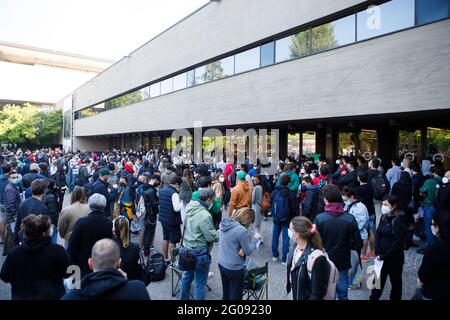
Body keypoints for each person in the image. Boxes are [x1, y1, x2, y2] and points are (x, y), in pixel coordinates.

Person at [0, 214, 71, 300]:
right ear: (46, 231)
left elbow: (4, 276)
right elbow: (70, 272)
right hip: (52, 296)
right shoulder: (57, 250)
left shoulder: (15, 253)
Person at [314, 184, 363, 300]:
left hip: (325, 261)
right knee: (342, 293)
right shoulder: (350, 219)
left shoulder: (320, 218)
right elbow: (358, 243)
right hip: (343, 261)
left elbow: (315, 242)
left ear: (326, 200)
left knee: (327, 294)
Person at [62, 239, 150, 300]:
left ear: (90, 263)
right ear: (119, 263)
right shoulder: (138, 289)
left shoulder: (70, 297)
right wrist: (126, 284)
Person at [180, 188, 219, 300]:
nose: (212, 203)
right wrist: (218, 233)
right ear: (208, 199)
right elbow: (211, 237)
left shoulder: (189, 207)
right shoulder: (204, 215)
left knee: (186, 278)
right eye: (212, 201)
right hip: (199, 253)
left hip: (187, 250)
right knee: (200, 284)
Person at [370, 195, 407, 300]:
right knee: (377, 282)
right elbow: (378, 234)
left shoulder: (398, 220)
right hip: (380, 257)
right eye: (382, 204)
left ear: (394, 205)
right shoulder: (384, 216)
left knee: (395, 282)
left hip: (394, 258)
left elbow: (397, 243)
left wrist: (383, 256)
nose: (383, 206)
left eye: (385, 204)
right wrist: (377, 252)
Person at [218, 207, 261, 300]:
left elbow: (231, 241)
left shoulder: (224, 223)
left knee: (226, 293)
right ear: (247, 221)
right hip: (234, 267)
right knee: (235, 295)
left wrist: (241, 248)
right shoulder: (241, 230)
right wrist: (255, 239)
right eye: (250, 224)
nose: (249, 226)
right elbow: (248, 250)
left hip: (222, 263)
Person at [67, 193, 113, 277]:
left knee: (79, 287)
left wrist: (70, 264)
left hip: (82, 265)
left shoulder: (81, 222)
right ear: (104, 206)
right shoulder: (108, 223)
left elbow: (72, 244)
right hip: (101, 263)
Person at [286, 216, 331, 300]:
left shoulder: (317, 259)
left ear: (297, 234)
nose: (288, 231)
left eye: (290, 230)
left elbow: (317, 293)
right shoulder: (296, 247)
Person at [417, 212, 450, 300]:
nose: (431, 226)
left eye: (432, 224)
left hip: (434, 292)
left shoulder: (434, 249)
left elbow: (423, 274)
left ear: (438, 227)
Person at [342, 187, 369, 288]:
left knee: (356, 261)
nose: (345, 202)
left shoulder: (360, 207)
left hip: (358, 236)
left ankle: (356, 282)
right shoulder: (349, 205)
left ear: (352, 197)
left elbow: (360, 223)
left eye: (346, 199)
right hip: (351, 236)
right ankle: (352, 281)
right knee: (352, 260)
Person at [271, 173, 299, 264]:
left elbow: (272, 204)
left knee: (275, 236)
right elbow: (294, 207)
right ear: (289, 182)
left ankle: (275, 255)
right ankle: (284, 259)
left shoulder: (275, 192)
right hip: (287, 219)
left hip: (276, 218)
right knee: (285, 239)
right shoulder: (290, 193)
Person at [419, 166, 443, 253]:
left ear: (433, 173)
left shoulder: (430, 181)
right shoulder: (443, 181)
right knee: (439, 227)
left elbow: (422, 191)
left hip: (429, 206)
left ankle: (430, 248)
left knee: (429, 228)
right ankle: (438, 246)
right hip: (441, 208)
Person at [158, 176, 183, 263]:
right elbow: (177, 208)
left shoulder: (162, 190)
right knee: (173, 241)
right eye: (179, 186)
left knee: (165, 238)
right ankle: (173, 261)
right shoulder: (174, 193)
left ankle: (165, 258)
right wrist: (182, 203)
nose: (179, 188)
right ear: (176, 184)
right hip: (172, 220)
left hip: (163, 218)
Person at [113, 215, 141, 281]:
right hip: (132, 280)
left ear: (114, 229)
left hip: (116, 280)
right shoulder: (135, 247)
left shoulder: (110, 245)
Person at [355, 171, 376, 258]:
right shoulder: (371, 187)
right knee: (371, 232)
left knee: (364, 233)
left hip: (362, 213)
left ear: (359, 178)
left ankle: (363, 255)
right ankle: (373, 252)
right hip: (371, 211)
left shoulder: (358, 189)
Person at [391, 171, 414, 249]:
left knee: (399, 225)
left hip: (399, 208)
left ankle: (400, 242)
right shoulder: (410, 186)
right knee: (409, 225)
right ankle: (408, 242)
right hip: (408, 208)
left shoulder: (396, 185)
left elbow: (392, 196)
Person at [3, 170, 22, 255]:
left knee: (9, 233)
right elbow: (10, 204)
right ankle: (11, 253)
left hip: (11, 214)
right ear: (9, 178)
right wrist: (14, 214)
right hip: (12, 215)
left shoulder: (13, 186)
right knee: (11, 234)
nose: (15, 179)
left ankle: (8, 251)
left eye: (16, 177)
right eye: (13, 178)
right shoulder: (10, 189)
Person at [141, 174, 160, 257]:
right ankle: (147, 251)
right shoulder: (151, 191)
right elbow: (154, 204)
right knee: (149, 233)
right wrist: (160, 200)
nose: (158, 183)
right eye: (158, 181)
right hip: (151, 214)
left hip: (146, 213)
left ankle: (145, 249)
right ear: (155, 180)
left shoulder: (145, 188)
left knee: (146, 232)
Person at [42, 179, 60, 243]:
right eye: (55, 185)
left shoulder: (46, 195)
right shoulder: (51, 196)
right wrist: (55, 222)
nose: (56, 186)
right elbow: (53, 211)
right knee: (53, 238)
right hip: (52, 222)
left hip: (47, 220)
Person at [0, 163, 12, 244]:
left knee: (2, 220)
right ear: (10, 170)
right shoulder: (11, 179)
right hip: (9, 203)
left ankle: (2, 239)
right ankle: (9, 240)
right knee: (10, 221)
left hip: (1, 202)